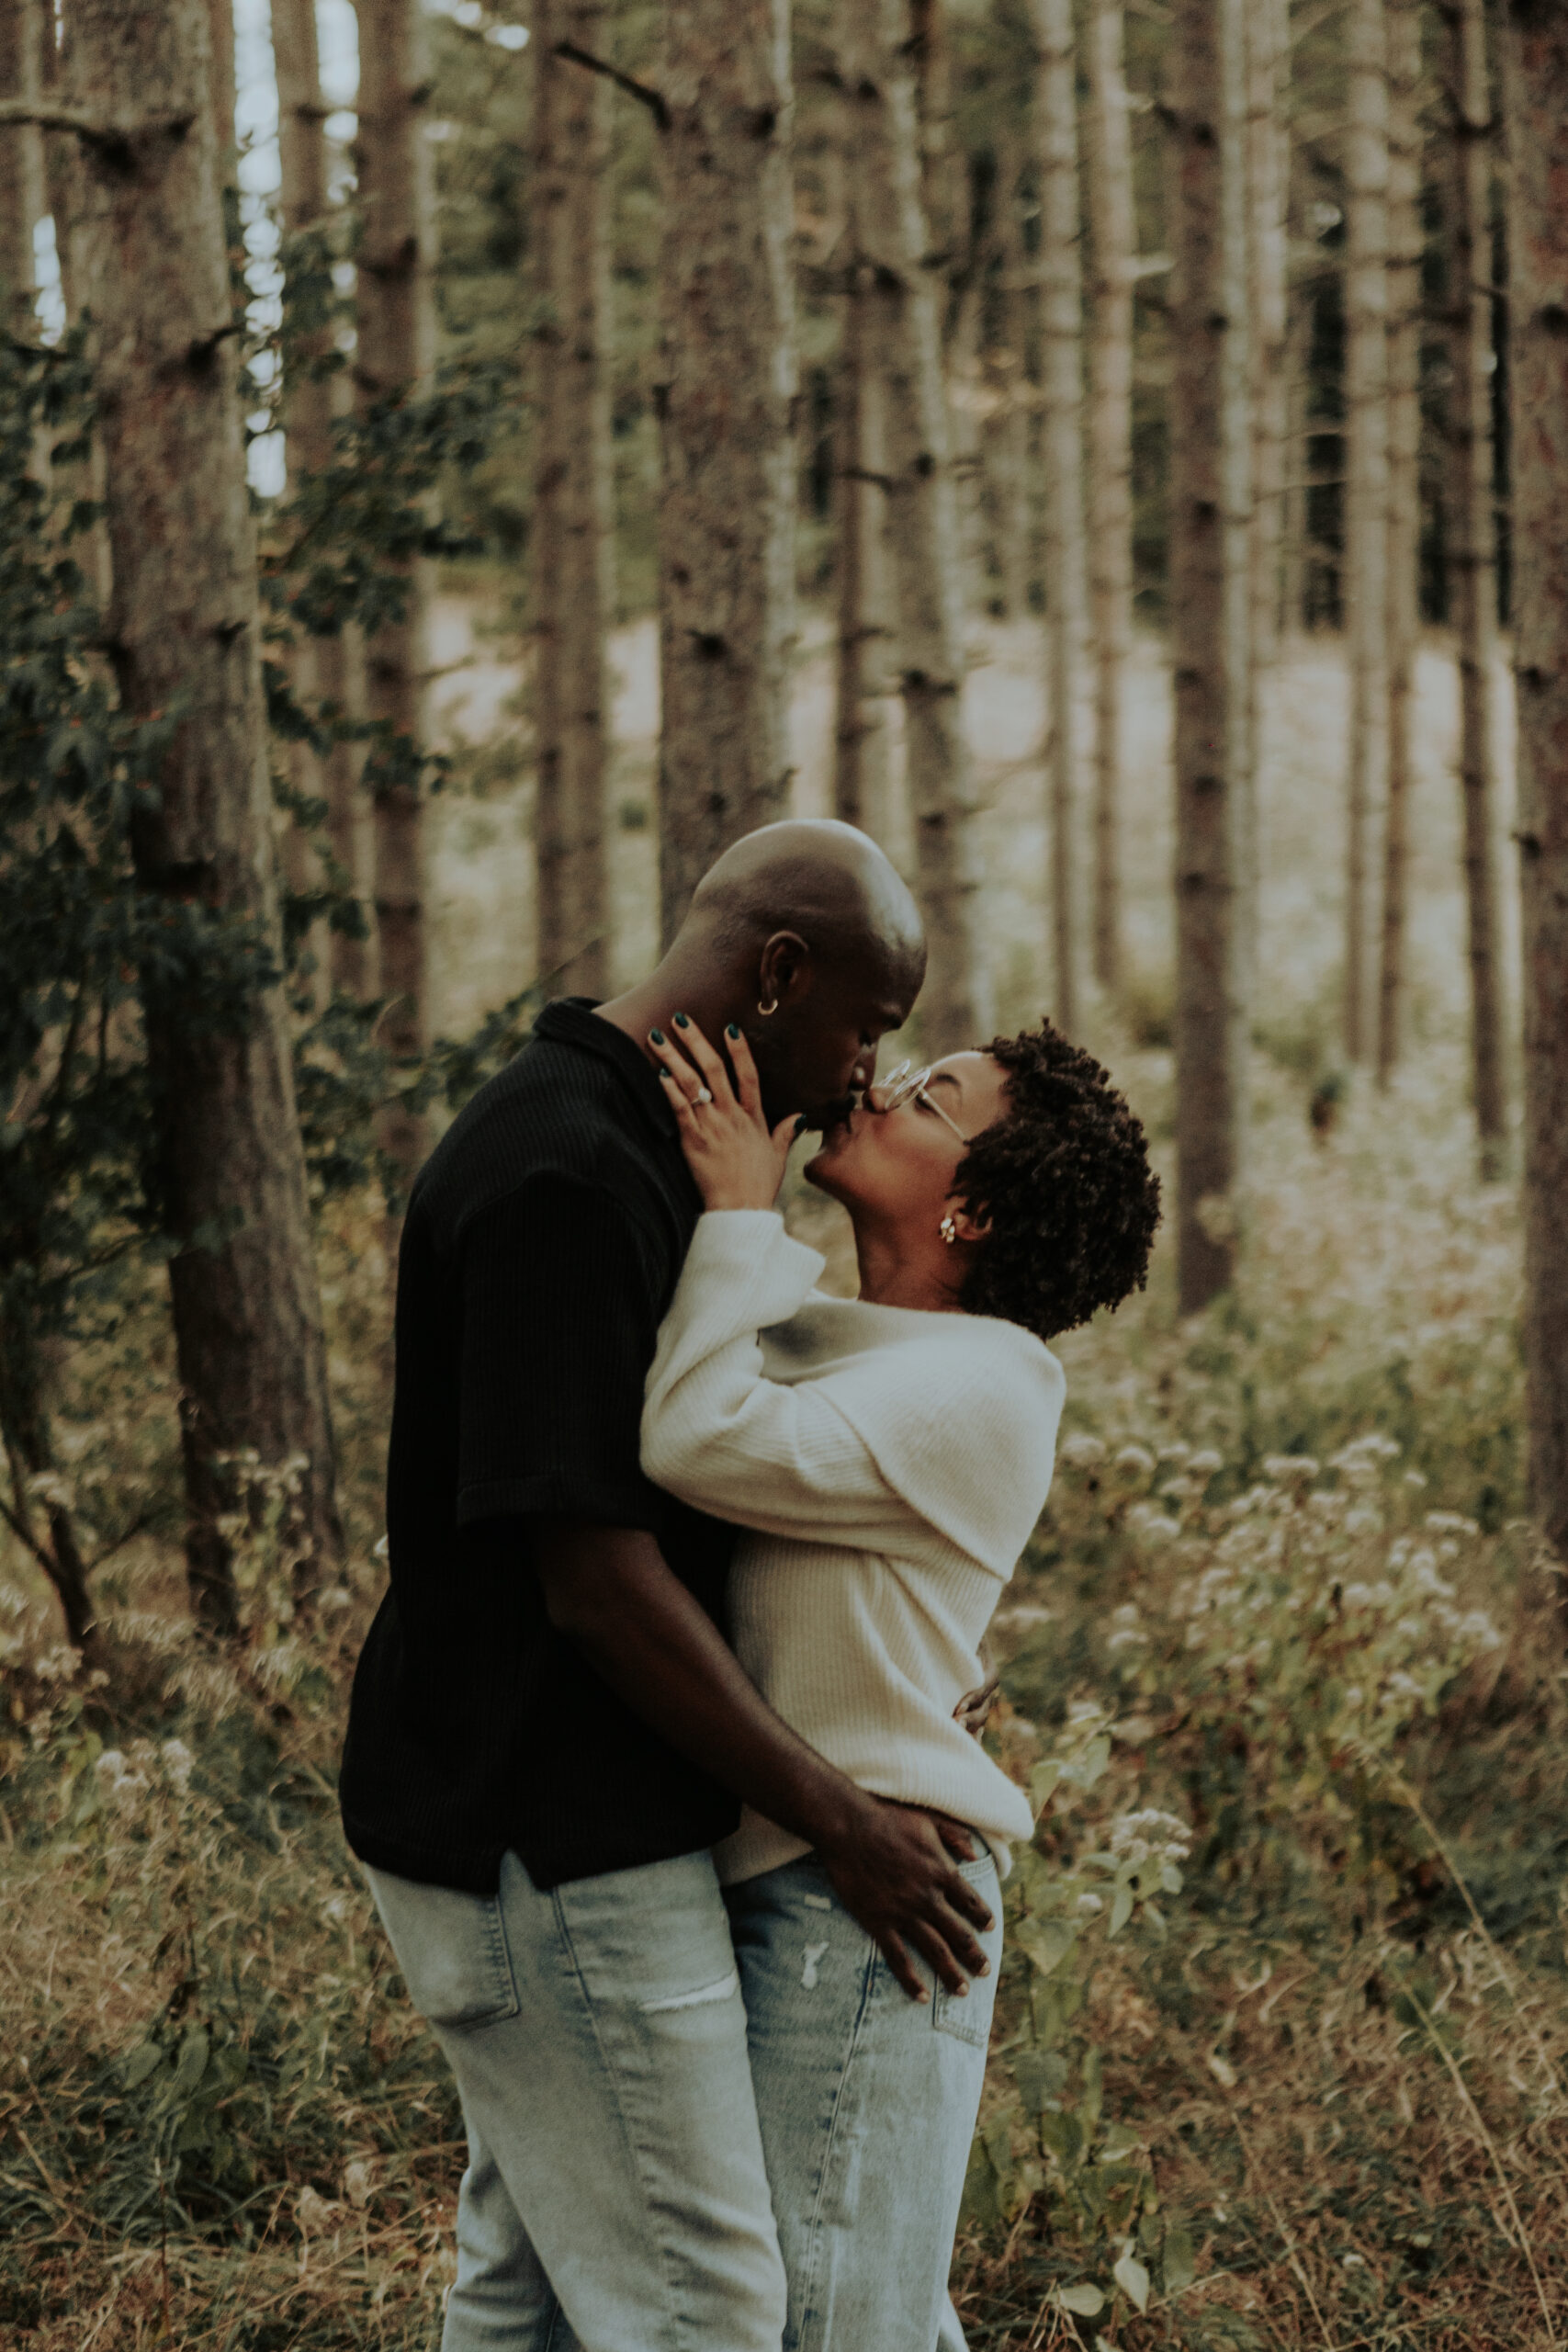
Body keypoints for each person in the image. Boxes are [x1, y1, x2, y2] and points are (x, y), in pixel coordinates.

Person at [340, 819, 998, 2352]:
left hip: (597, 1820)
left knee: (530, 2299)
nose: (864, 1073)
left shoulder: (660, 1156)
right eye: (866, 1026)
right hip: (538, 1839)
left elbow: (737, 1490)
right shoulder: (564, 1170)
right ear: (779, 972)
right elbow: (594, 1581)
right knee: (706, 2306)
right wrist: (849, 1823)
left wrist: (901, 1684)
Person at [639, 1012, 1161, 2352]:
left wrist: (743, 1212)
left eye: (934, 1094)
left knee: (829, 2321)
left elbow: (695, 1436)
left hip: (869, 1904)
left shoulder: (987, 1383)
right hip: (794, 1867)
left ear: (975, 1208)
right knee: (836, 2304)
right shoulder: (840, 1336)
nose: (882, 1080)